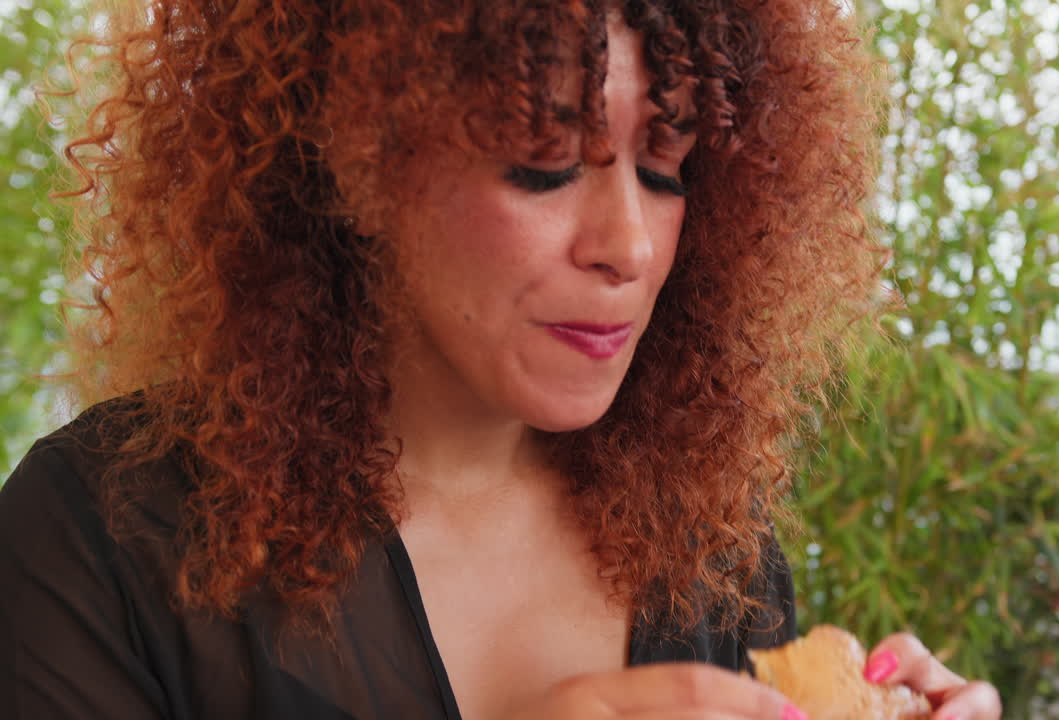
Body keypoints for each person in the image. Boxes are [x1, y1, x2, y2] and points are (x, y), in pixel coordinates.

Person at [0, 0, 1001, 719]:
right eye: (544, 163)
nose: (631, 245)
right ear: (358, 154)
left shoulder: (709, 558)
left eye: (666, 169)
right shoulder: (104, 539)